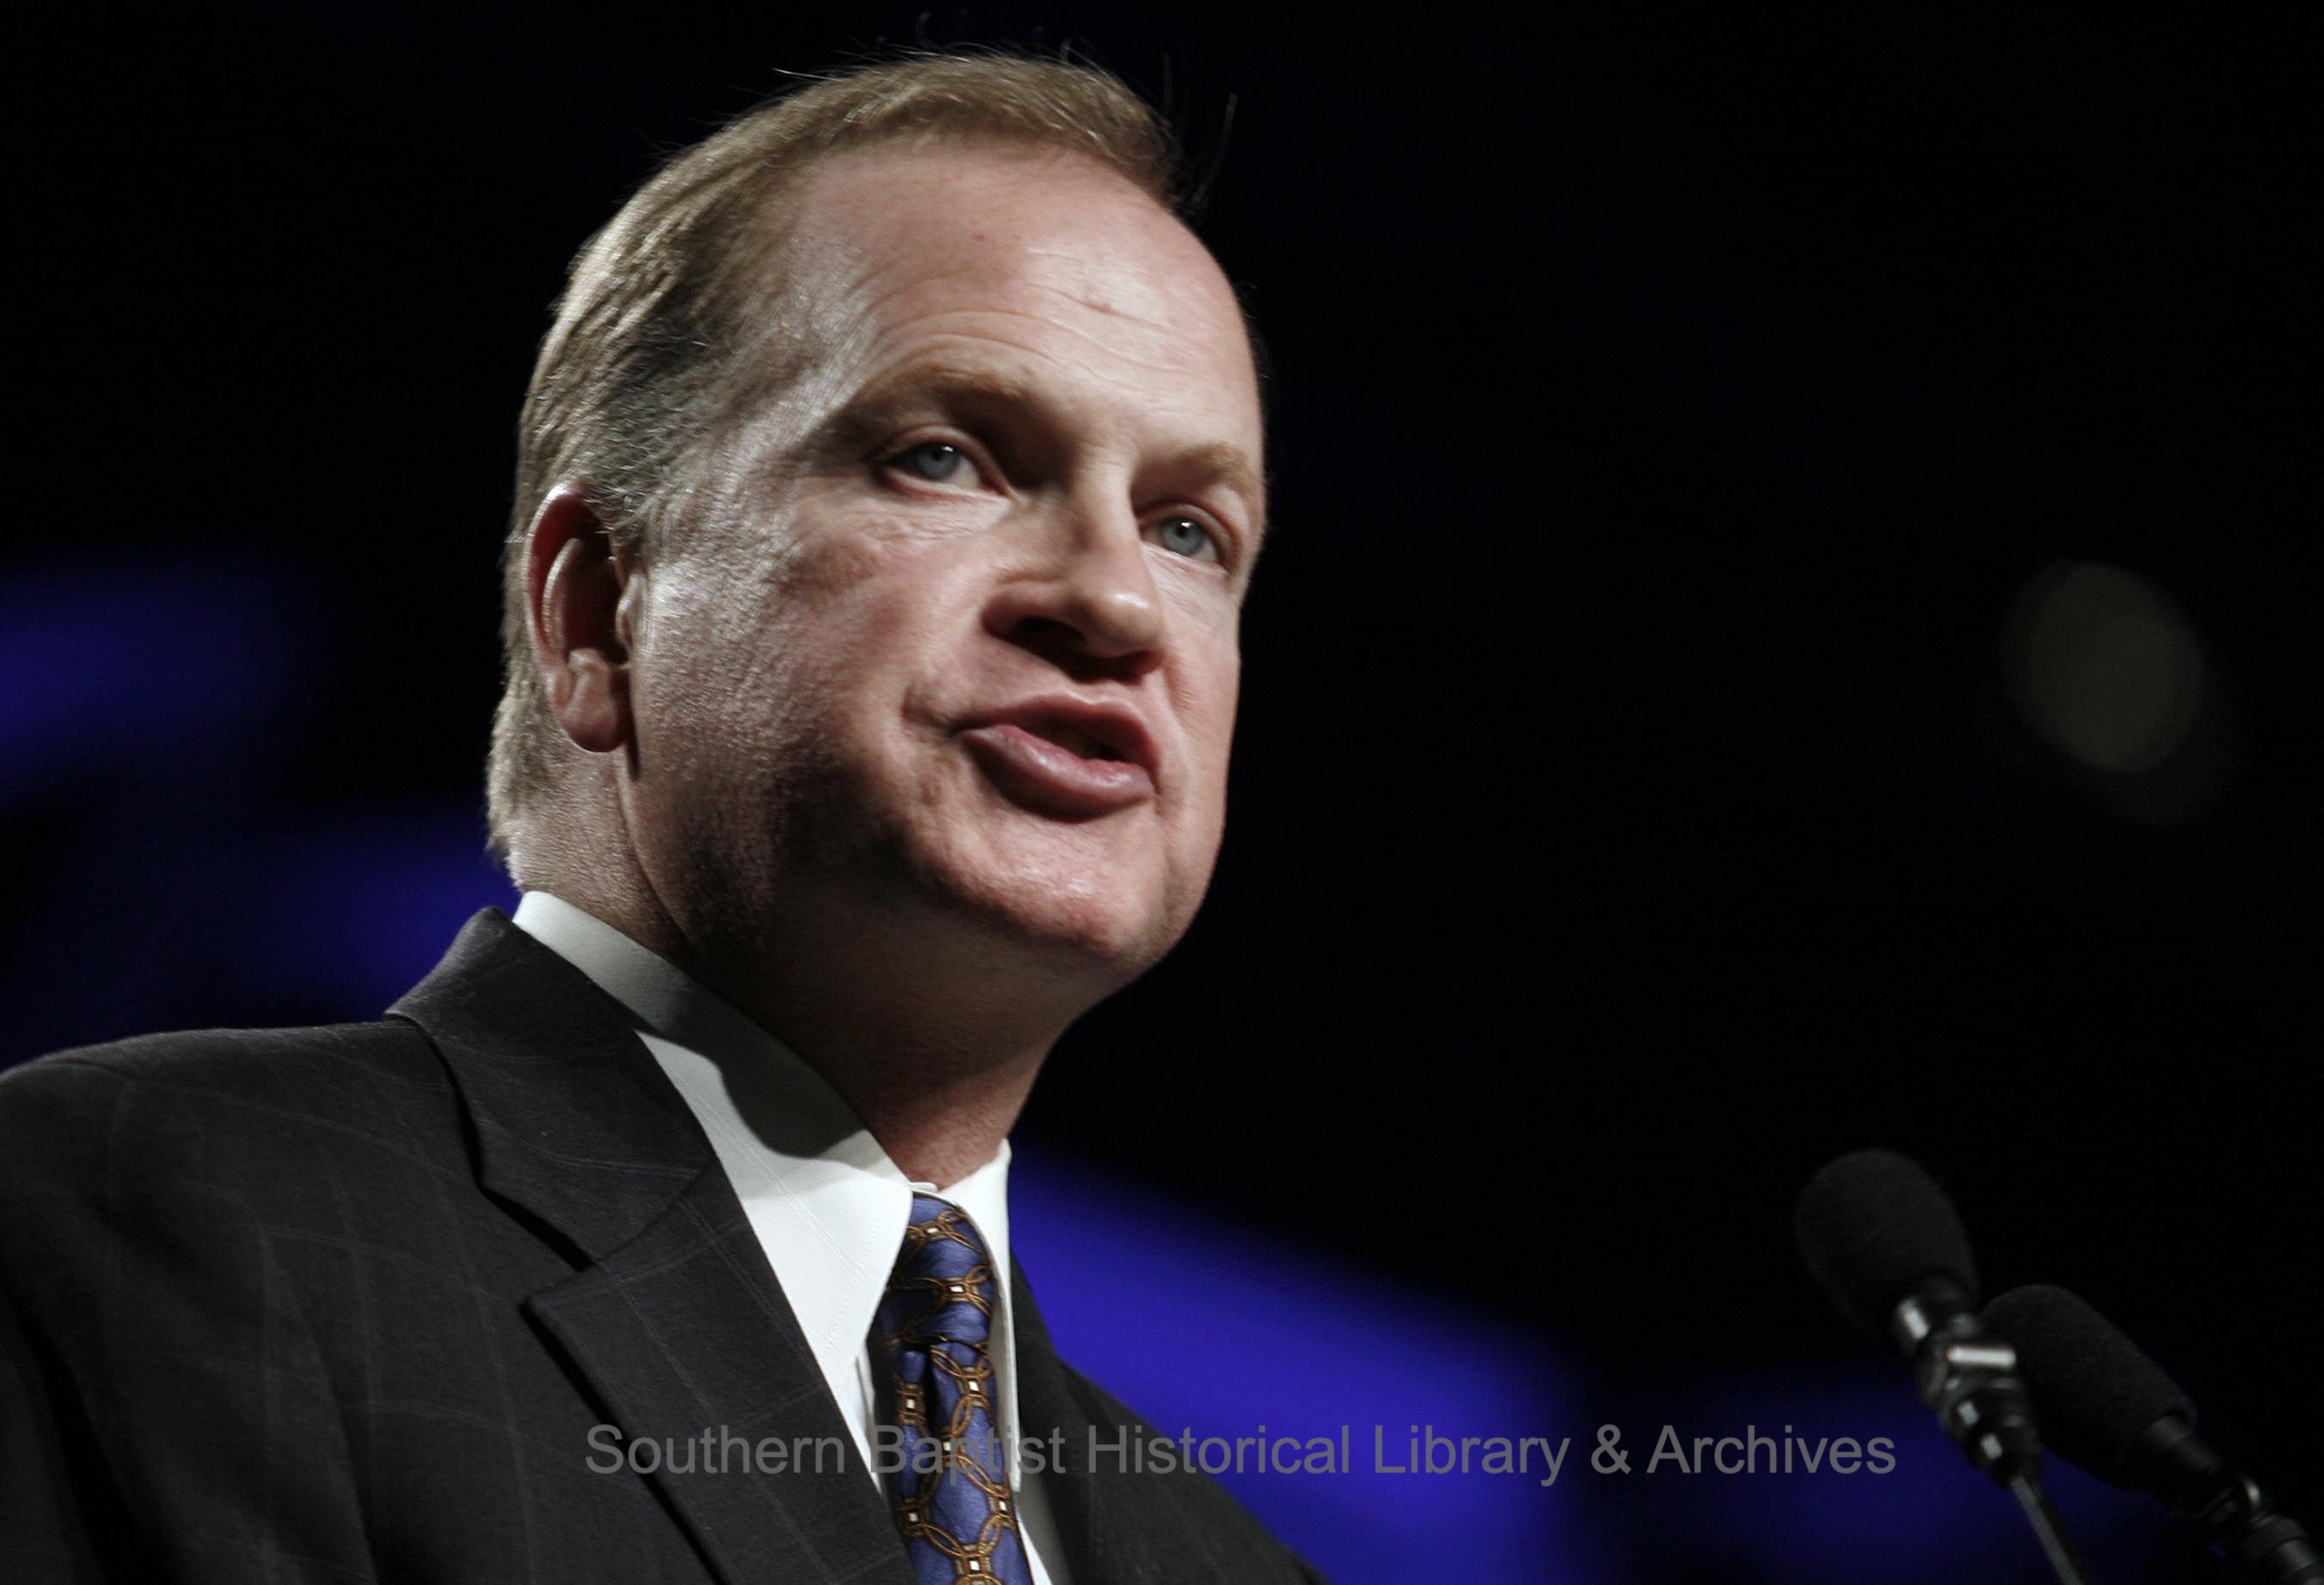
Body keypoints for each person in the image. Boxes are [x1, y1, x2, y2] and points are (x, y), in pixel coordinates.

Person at [0, 54, 1322, 1585]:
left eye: (1189, 530)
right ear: (597, 609)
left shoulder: (1238, 1567)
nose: (1115, 602)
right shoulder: (164, 1205)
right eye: (945, 456)